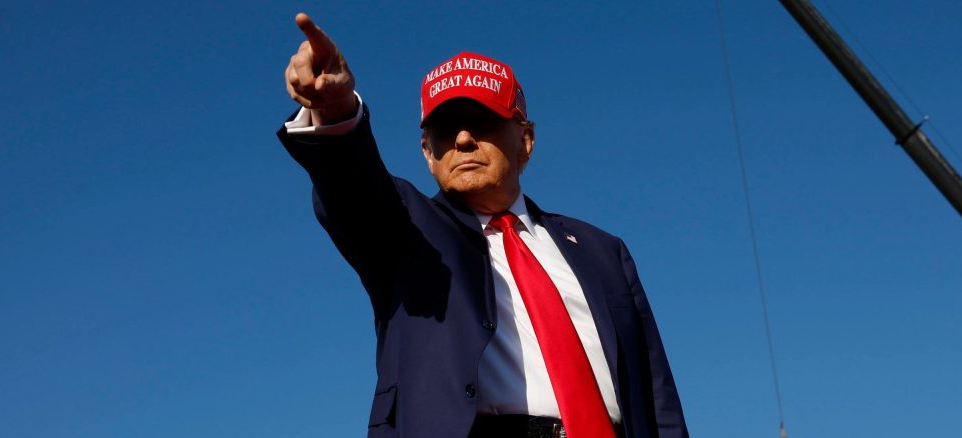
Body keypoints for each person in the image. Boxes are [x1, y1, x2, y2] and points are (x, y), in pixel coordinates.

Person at [277, 12, 690, 438]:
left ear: (525, 140)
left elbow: (657, 396)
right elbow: (352, 189)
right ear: (427, 152)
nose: (462, 140)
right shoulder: (405, 228)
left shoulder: (603, 251)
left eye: (482, 121)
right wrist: (335, 111)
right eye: (444, 129)